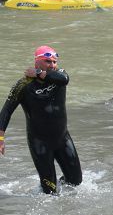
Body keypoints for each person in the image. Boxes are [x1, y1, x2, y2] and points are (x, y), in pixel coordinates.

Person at [0, 46, 83, 194]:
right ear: (37, 62)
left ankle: (59, 190)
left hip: (63, 139)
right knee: (50, 192)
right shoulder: (23, 85)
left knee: (76, 182)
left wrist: (39, 73)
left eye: (54, 62)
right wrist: (1, 137)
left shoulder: (59, 76)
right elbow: (6, 111)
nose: (52, 65)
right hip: (40, 143)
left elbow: (65, 79)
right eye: (48, 62)